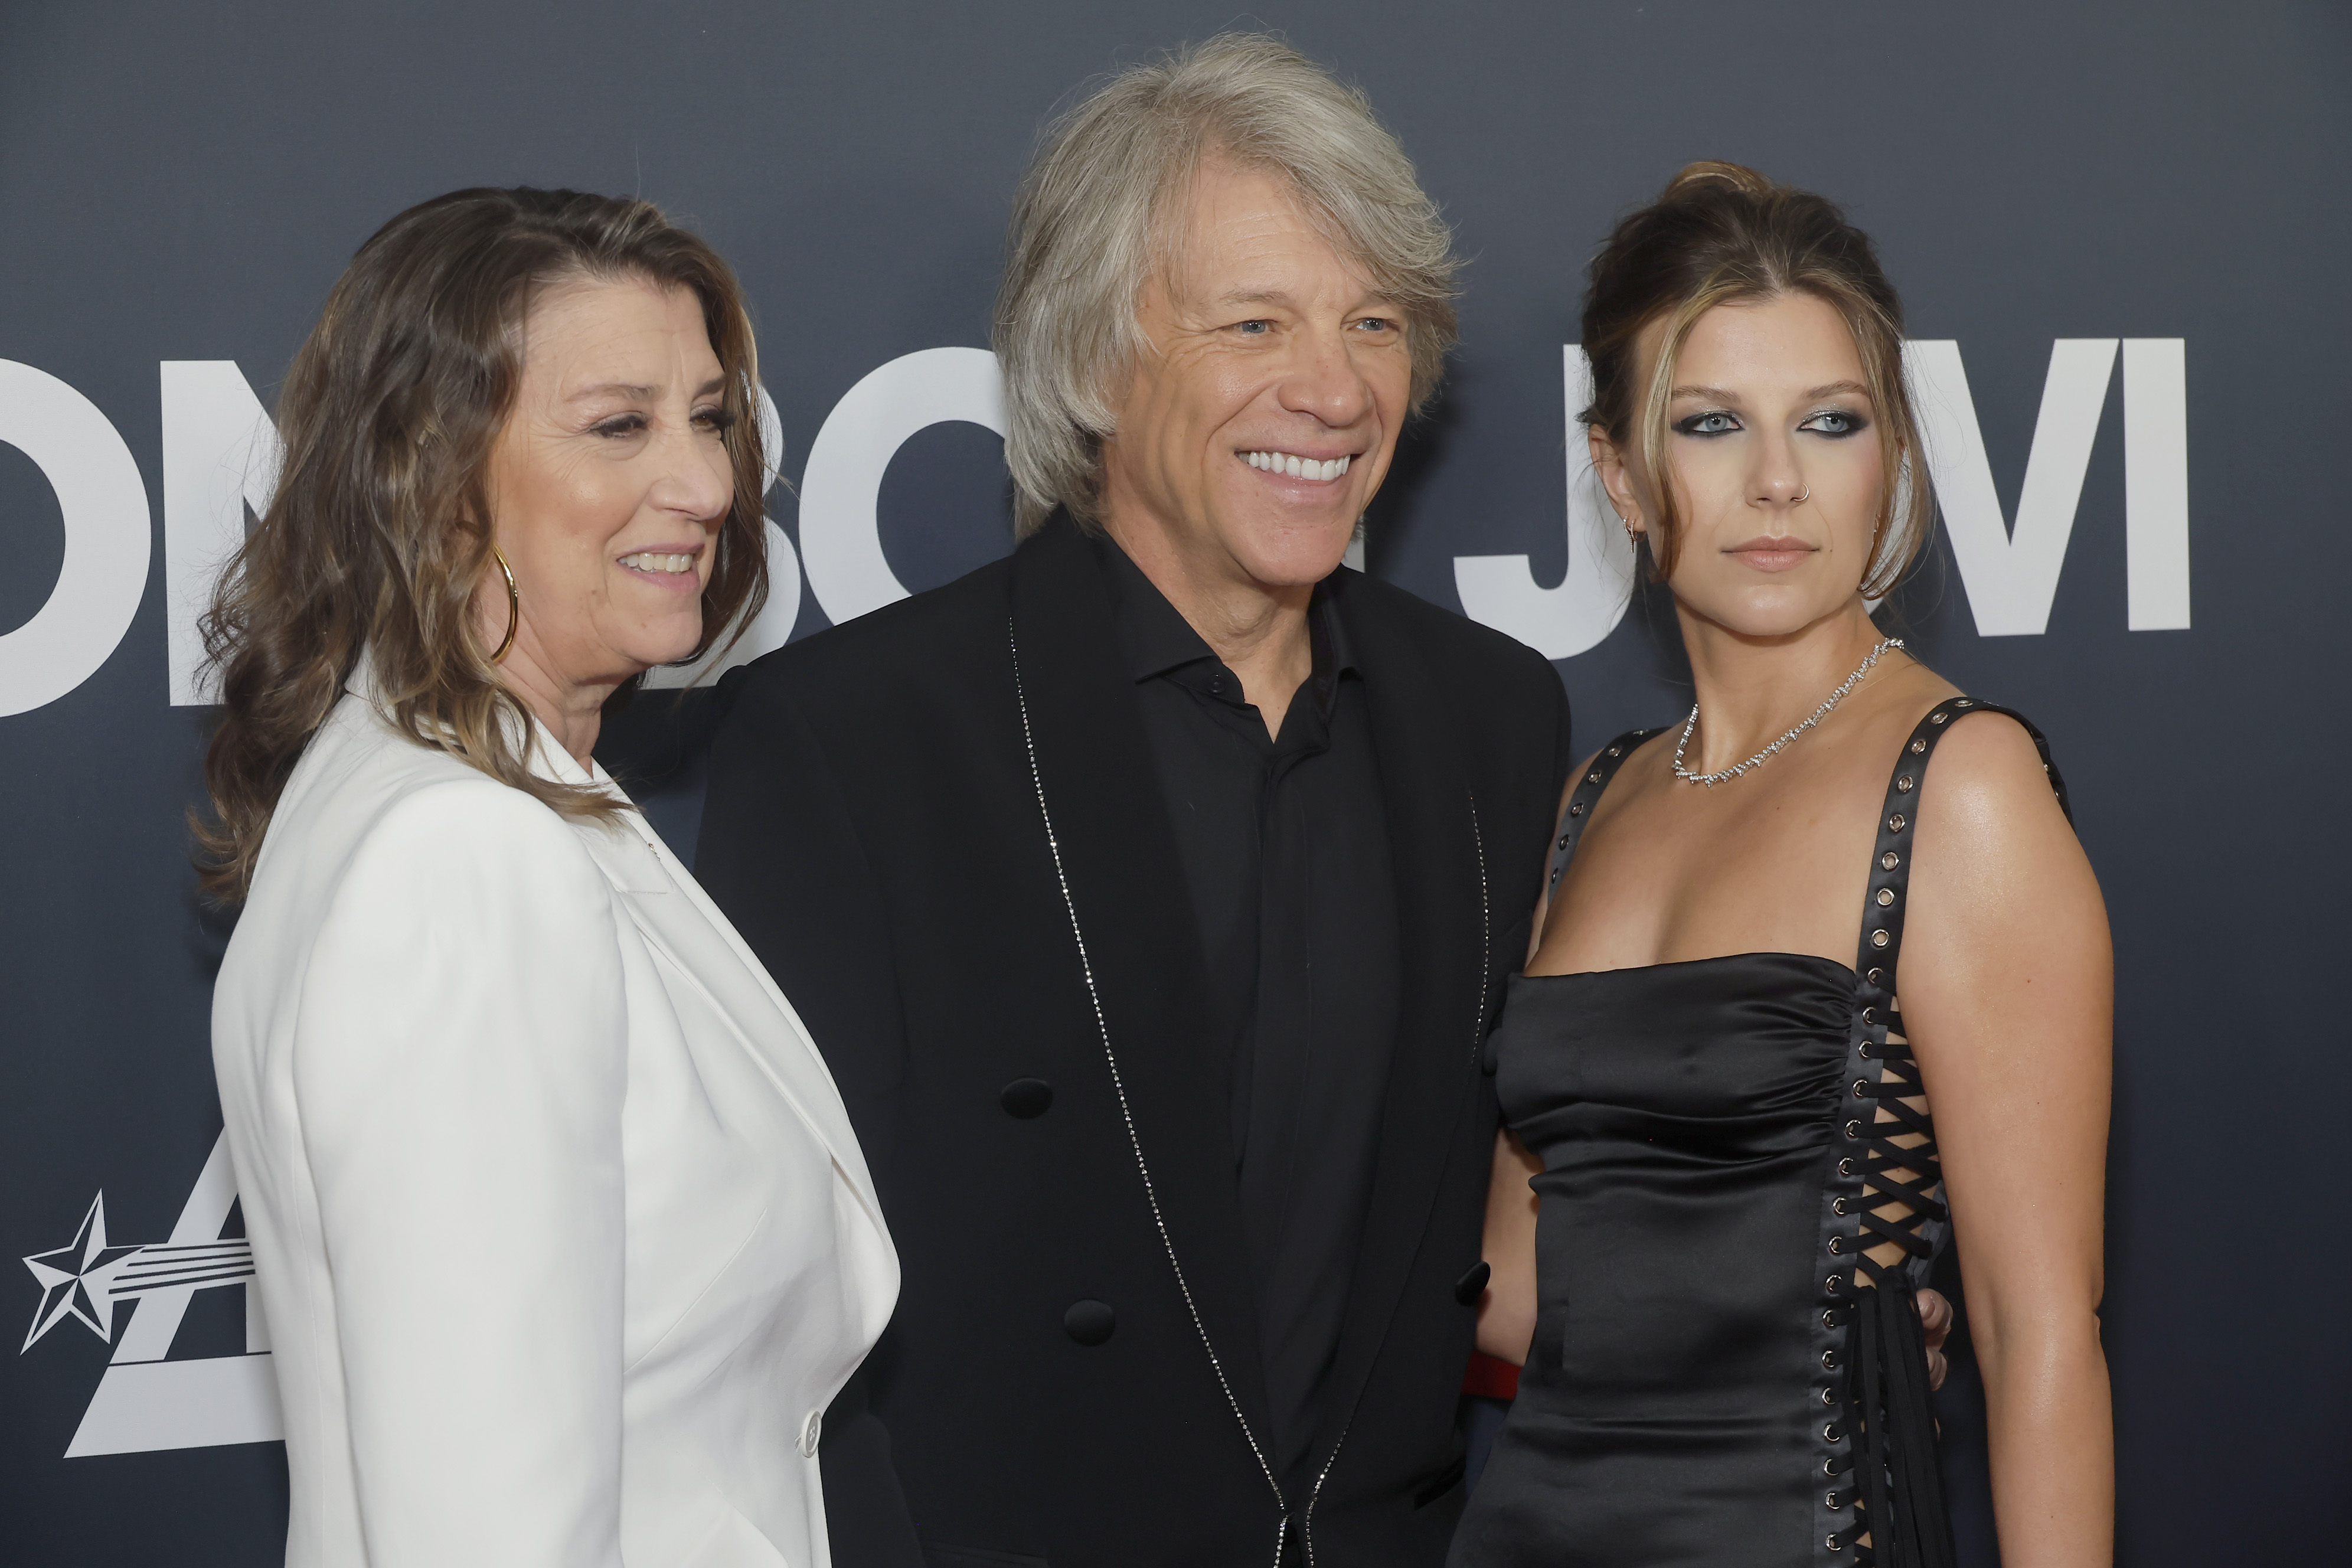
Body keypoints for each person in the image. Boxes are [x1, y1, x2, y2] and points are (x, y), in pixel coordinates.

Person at [697, 35, 1573, 1568]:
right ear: (1094, 360)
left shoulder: (1492, 719)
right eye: (1255, 322)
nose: (1332, 385)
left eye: (1375, 322)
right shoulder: (863, 743)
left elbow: (1507, 1230)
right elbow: (771, 1333)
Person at [202, 188, 897, 1568]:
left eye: (710, 415)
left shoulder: (459, 791)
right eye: (618, 424)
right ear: (435, 471)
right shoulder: (465, 859)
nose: (706, 482)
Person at [1455, 163, 2114, 1568]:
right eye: (1710, 424)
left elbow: (2039, 1327)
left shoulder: (1960, 784)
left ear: (1893, 456)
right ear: (1620, 472)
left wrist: (1847, 1312)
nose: (1776, 481)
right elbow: (1513, 1290)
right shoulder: (1592, 800)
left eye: (1831, 420)